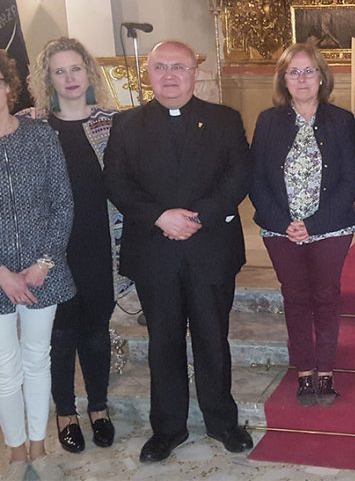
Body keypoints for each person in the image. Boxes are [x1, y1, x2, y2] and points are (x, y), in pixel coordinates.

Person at [103, 40, 253, 463]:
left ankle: (222, 422)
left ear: (194, 73)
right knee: (163, 342)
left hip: (210, 249)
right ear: (148, 73)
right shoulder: (126, 124)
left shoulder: (224, 119)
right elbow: (116, 181)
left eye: (179, 67)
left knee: (213, 338)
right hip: (155, 251)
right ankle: (167, 429)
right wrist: (160, 217)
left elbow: (239, 175)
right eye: (161, 67)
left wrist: (198, 217)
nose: (170, 75)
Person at [21, 37, 132, 455]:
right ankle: (65, 413)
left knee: (96, 329)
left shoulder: (112, 123)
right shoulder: (32, 126)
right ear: (47, 79)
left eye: (75, 69)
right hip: (51, 249)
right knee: (61, 333)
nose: (69, 78)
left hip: (99, 242)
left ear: (88, 72)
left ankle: (98, 407)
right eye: (59, 71)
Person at [249, 43, 355, 406]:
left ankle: (325, 370)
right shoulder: (268, 121)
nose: (301, 79)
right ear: (283, 79)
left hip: (330, 227)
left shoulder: (341, 120)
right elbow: (256, 179)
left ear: (321, 78)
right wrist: (285, 223)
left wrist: (313, 224)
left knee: (325, 296)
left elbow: (352, 179)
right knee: (295, 297)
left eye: (308, 71)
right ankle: (304, 370)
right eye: (293, 72)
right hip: (280, 229)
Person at [0, 50, 75, 481]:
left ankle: (38, 446)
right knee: (4, 368)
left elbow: (62, 202)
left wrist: (43, 262)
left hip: (42, 271)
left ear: (8, 88)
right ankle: (15, 453)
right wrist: (3, 274)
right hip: (0, 277)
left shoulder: (40, 136)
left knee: (37, 359)